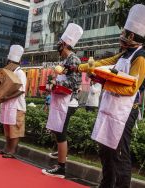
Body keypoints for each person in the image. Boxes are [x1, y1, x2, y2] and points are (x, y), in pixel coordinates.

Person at [72, 4, 145, 187]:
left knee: (119, 154)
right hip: (110, 108)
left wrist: (103, 82)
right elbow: (102, 63)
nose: (122, 35)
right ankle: (106, 183)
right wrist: (78, 67)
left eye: (125, 33)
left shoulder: (140, 58)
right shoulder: (125, 53)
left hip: (125, 113)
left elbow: (131, 89)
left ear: (132, 36)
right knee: (105, 150)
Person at [41, 23, 83, 178]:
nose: (57, 46)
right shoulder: (66, 60)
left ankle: (61, 168)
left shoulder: (74, 60)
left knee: (60, 131)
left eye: (60, 43)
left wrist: (55, 83)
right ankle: (61, 152)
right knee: (56, 129)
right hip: (61, 100)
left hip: (69, 102)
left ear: (65, 44)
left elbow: (72, 83)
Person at [0, 45, 26, 159]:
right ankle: (6, 149)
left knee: (14, 129)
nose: (8, 63)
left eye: (9, 61)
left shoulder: (20, 73)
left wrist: (6, 97)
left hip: (17, 106)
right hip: (7, 104)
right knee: (7, 128)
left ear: (13, 62)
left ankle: (12, 151)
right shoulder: (8, 72)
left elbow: (21, 91)